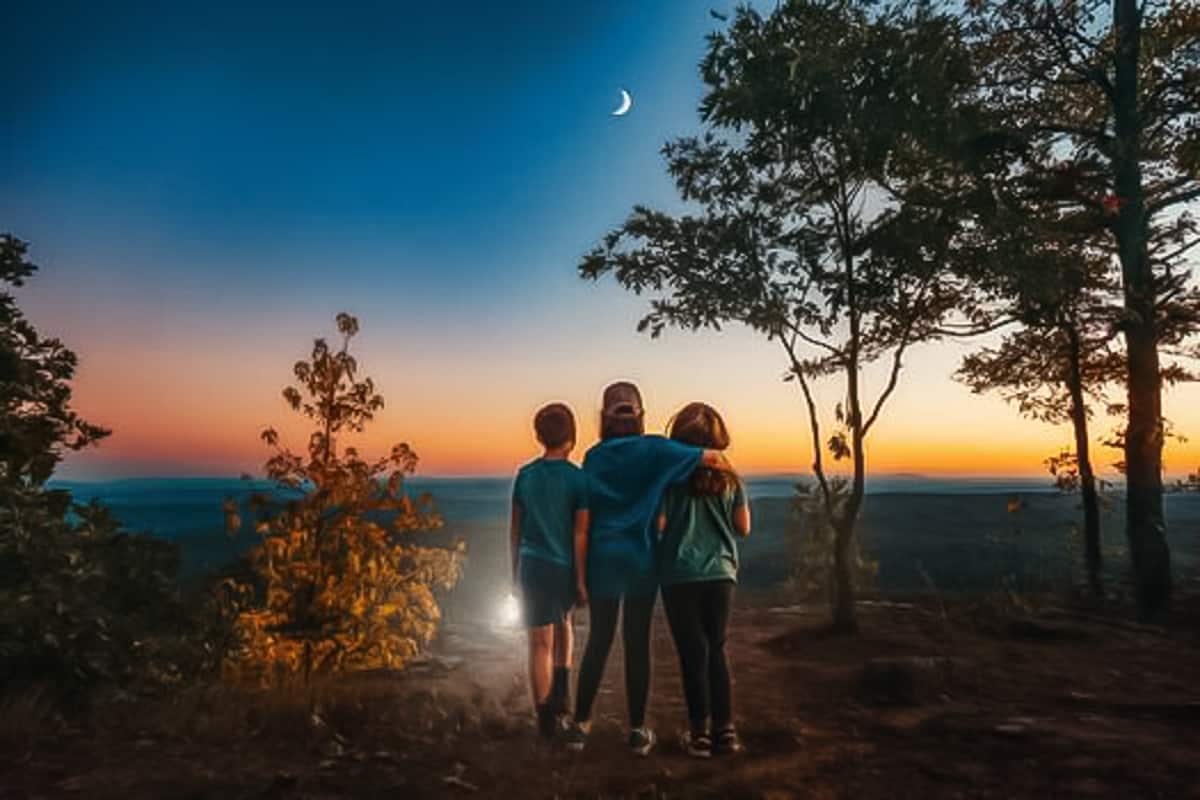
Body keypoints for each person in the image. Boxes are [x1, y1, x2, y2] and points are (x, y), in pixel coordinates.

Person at [564, 382, 735, 756]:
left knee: (598, 640)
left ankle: (579, 726)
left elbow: (584, 515)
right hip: (641, 560)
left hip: (602, 560)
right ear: (639, 415)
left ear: (605, 418)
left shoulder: (593, 458)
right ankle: (638, 731)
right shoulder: (656, 449)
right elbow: (711, 459)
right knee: (636, 643)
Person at [657, 402, 750, 758]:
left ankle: (700, 734)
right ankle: (726, 732)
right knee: (716, 649)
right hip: (720, 573)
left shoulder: (670, 480)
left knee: (691, 652)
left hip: (679, 574)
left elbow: (659, 526)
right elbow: (743, 528)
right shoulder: (731, 478)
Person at [510, 403, 590, 739]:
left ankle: (544, 719)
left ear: (539, 436)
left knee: (537, 643)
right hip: (563, 566)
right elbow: (580, 533)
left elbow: (515, 528)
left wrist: (515, 571)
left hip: (531, 564)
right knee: (565, 624)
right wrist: (583, 579)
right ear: (571, 436)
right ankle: (563, 693)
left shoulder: (525, 475)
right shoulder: (578, 478)